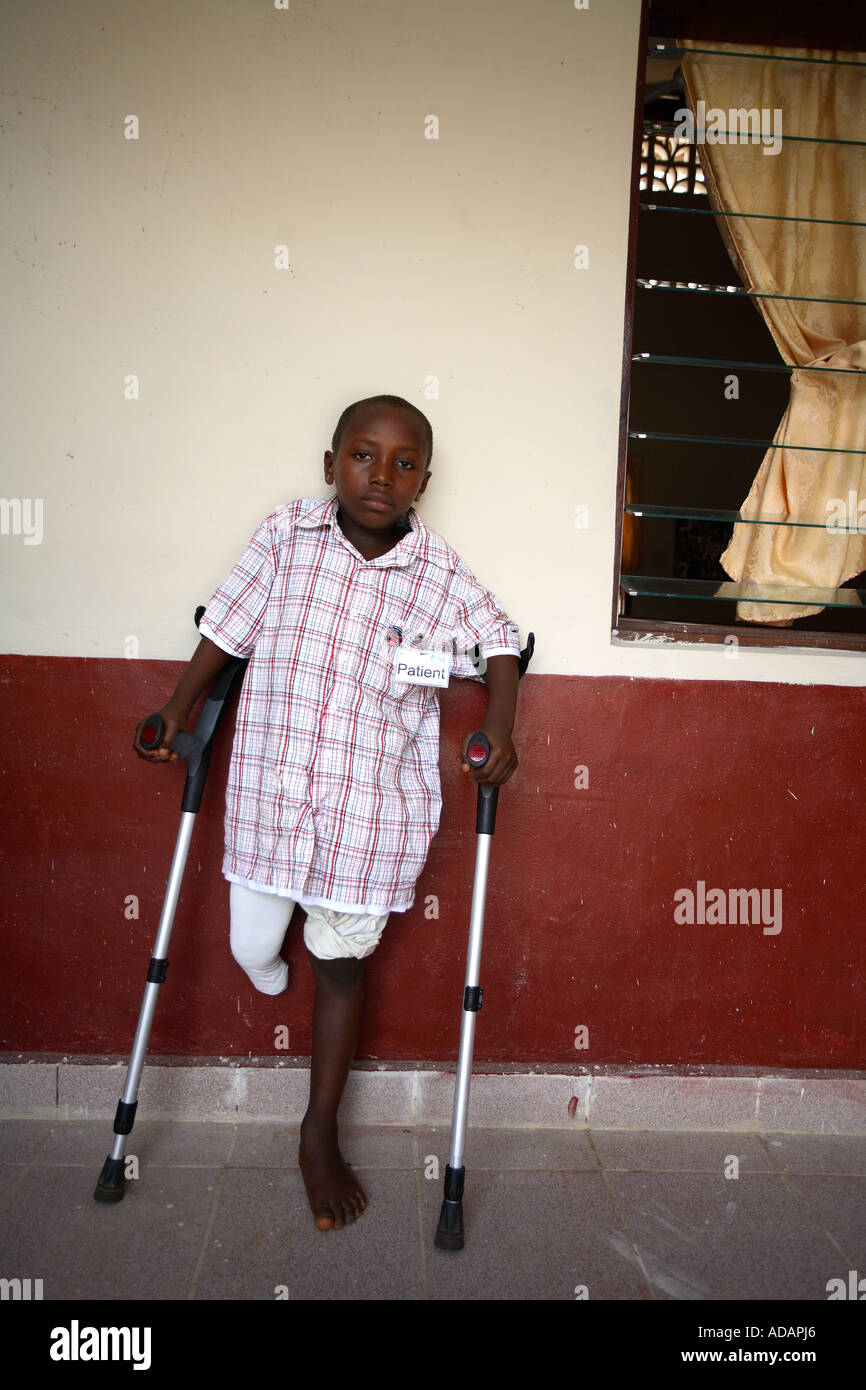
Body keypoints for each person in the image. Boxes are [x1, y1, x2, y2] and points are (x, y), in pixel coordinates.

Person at [134, 394, 524, 1231]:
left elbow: (502, 640)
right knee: (253, 944)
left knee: (339, 964)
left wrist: (497, 723)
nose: (381, 475)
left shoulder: (441, 573)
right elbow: (228, 629)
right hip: (274, 804)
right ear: (329, 465)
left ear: (425, 479)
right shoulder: (285, 536)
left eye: (404, 462)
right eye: (362, 455)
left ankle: (317, 1132)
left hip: (369, 818)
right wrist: (178, 709)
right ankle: (275, 968)